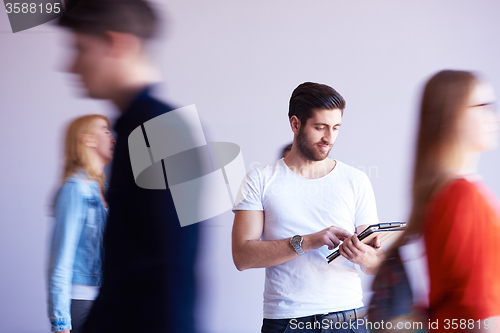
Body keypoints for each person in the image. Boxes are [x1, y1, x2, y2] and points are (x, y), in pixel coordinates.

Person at [57, 1, 200, 332]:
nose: (71, 65)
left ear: (116, 44)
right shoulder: (150, 125)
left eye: (80, 48)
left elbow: (169, 269)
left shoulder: (155, 128)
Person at [232, 82, 381, 333]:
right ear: (295, 124)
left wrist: (363, 256)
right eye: (320, 127)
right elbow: (242, 257)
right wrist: (309, 241)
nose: (329, 138)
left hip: (349, 320)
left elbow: (376, 262)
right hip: (288, 322)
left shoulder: (356, 180)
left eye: (335, 128)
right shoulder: (259, 180)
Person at [372, 70, 500, 331]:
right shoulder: (461, 196)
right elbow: (479, 315)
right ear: (453, 115)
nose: (493, 117)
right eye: (484, 106)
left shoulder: (443, 194)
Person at [48, 114, 115, 333]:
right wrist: (61, 325)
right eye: (105, 130)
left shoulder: (102, 190)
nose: (112, 138)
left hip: (105, 299)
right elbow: (60, 261)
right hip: (83, 302)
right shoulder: (75, 189)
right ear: (87, 140)